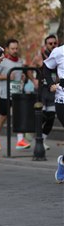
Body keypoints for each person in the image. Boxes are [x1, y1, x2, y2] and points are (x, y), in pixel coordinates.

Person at [0, 39, 28, 151]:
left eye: (16, 48)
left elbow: (19, 76)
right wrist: (6, 76)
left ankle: (20, 140)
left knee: (19, 115)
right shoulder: (3, 61)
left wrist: (22, 77)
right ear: (7, 49)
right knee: (3, 116)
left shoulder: (20, 61)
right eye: (12, 48)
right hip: (5, 94)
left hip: (17, 93)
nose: (15, 50)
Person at [41, 44, 64, 183]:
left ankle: (63, 162)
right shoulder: (59, 51)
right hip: (62, 100)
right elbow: (46, 68)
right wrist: (50, 84)